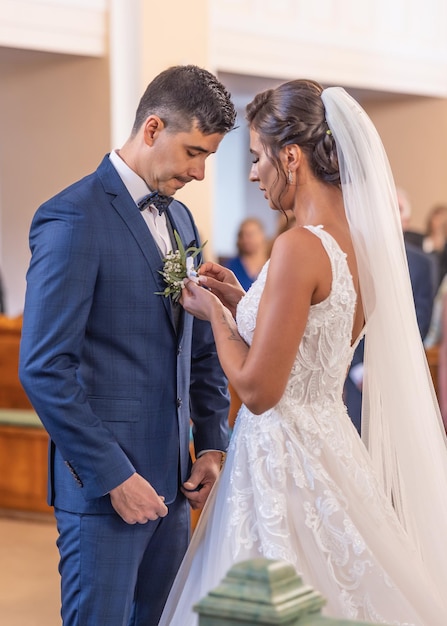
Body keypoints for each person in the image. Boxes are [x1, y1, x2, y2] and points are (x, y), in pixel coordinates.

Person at [159, 80, 447, 625]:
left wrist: (217, 317)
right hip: (332, 445)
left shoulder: (297, 246)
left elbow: (259, 390)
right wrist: (242, 301)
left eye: (256, 157)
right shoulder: (358, 247)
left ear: (289, 157)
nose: (252, 174)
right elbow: (309, 336)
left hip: (282, 459)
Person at [18, 65, 236, 626]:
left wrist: (211, 442)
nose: (200, 172)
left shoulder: (183, 220)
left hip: (173, 487)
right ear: (153, 128)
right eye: (193, 152)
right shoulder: (73, 216)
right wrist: (115, 477)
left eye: (208, 157)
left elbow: (199, 347)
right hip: (104, 495)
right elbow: (45, 368)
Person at [345, 188, 436, 433]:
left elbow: (421, 320)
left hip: (400, 378)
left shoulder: (423, 264)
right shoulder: (354, 254)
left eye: (394, 211)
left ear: (405, 220)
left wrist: (388, 369)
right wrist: (358, 368)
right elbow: (344, 313)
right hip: (357, 378)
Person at [223, 217, 268, 290]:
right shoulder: (231, 266)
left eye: (250, 234)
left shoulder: (272, 264)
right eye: (242, 235)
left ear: (262, 235)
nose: (245, 239)